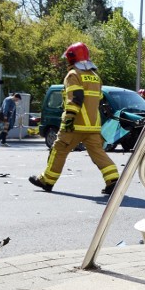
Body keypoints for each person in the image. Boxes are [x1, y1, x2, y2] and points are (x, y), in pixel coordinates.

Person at [29, 42, 119, 194]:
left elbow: (76, 97)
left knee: (59, 150)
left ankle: (47, 180)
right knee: (98, 153)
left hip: (75, 124)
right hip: (93, 125)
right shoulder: (95, 77)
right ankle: (113, 180)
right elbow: (99, 99)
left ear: (71, 58)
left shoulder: (73, 75)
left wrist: (69, 117)